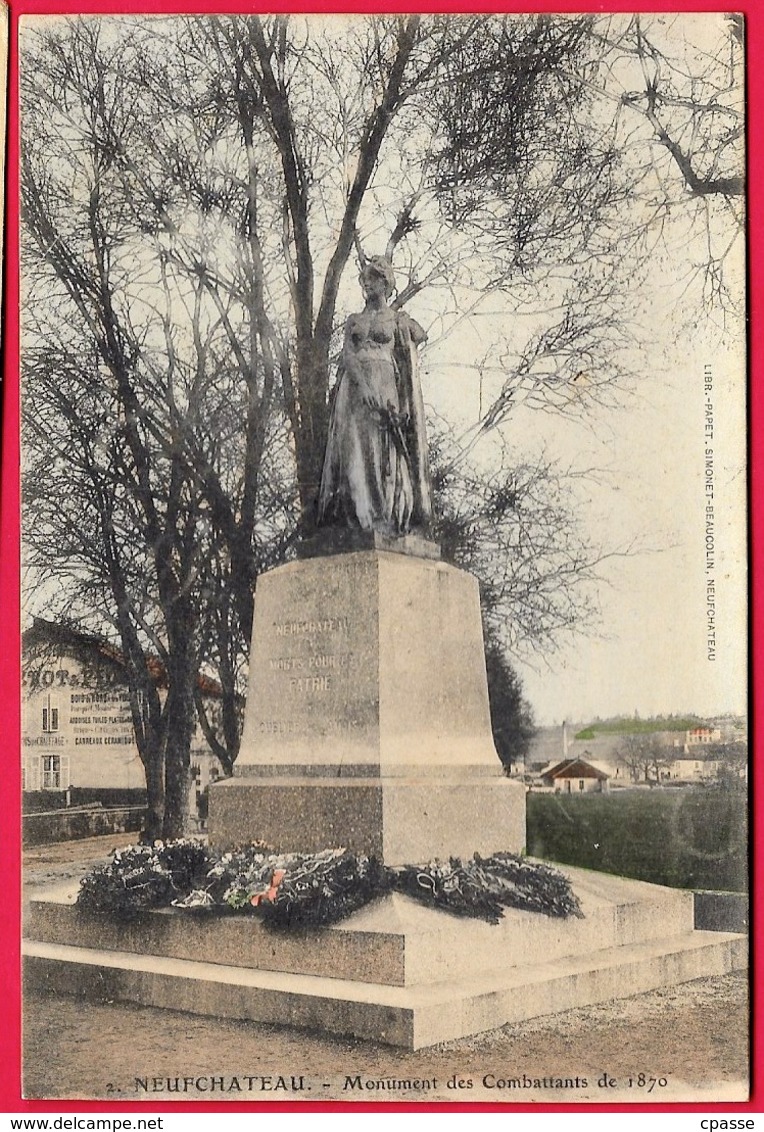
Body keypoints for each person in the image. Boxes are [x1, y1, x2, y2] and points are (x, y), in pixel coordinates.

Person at [317, 255, 433, 535]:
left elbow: (418, 339)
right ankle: (358, 514)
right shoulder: (354, 320)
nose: (368, 284)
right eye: (365, 279)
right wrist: (363, 387)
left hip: (385, 384)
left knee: (384, 450)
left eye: (374, 279)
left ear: (386, 283)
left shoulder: (396, 320)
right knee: (353, 449)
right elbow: (347, 356)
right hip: (355, 389)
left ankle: (384, 515)